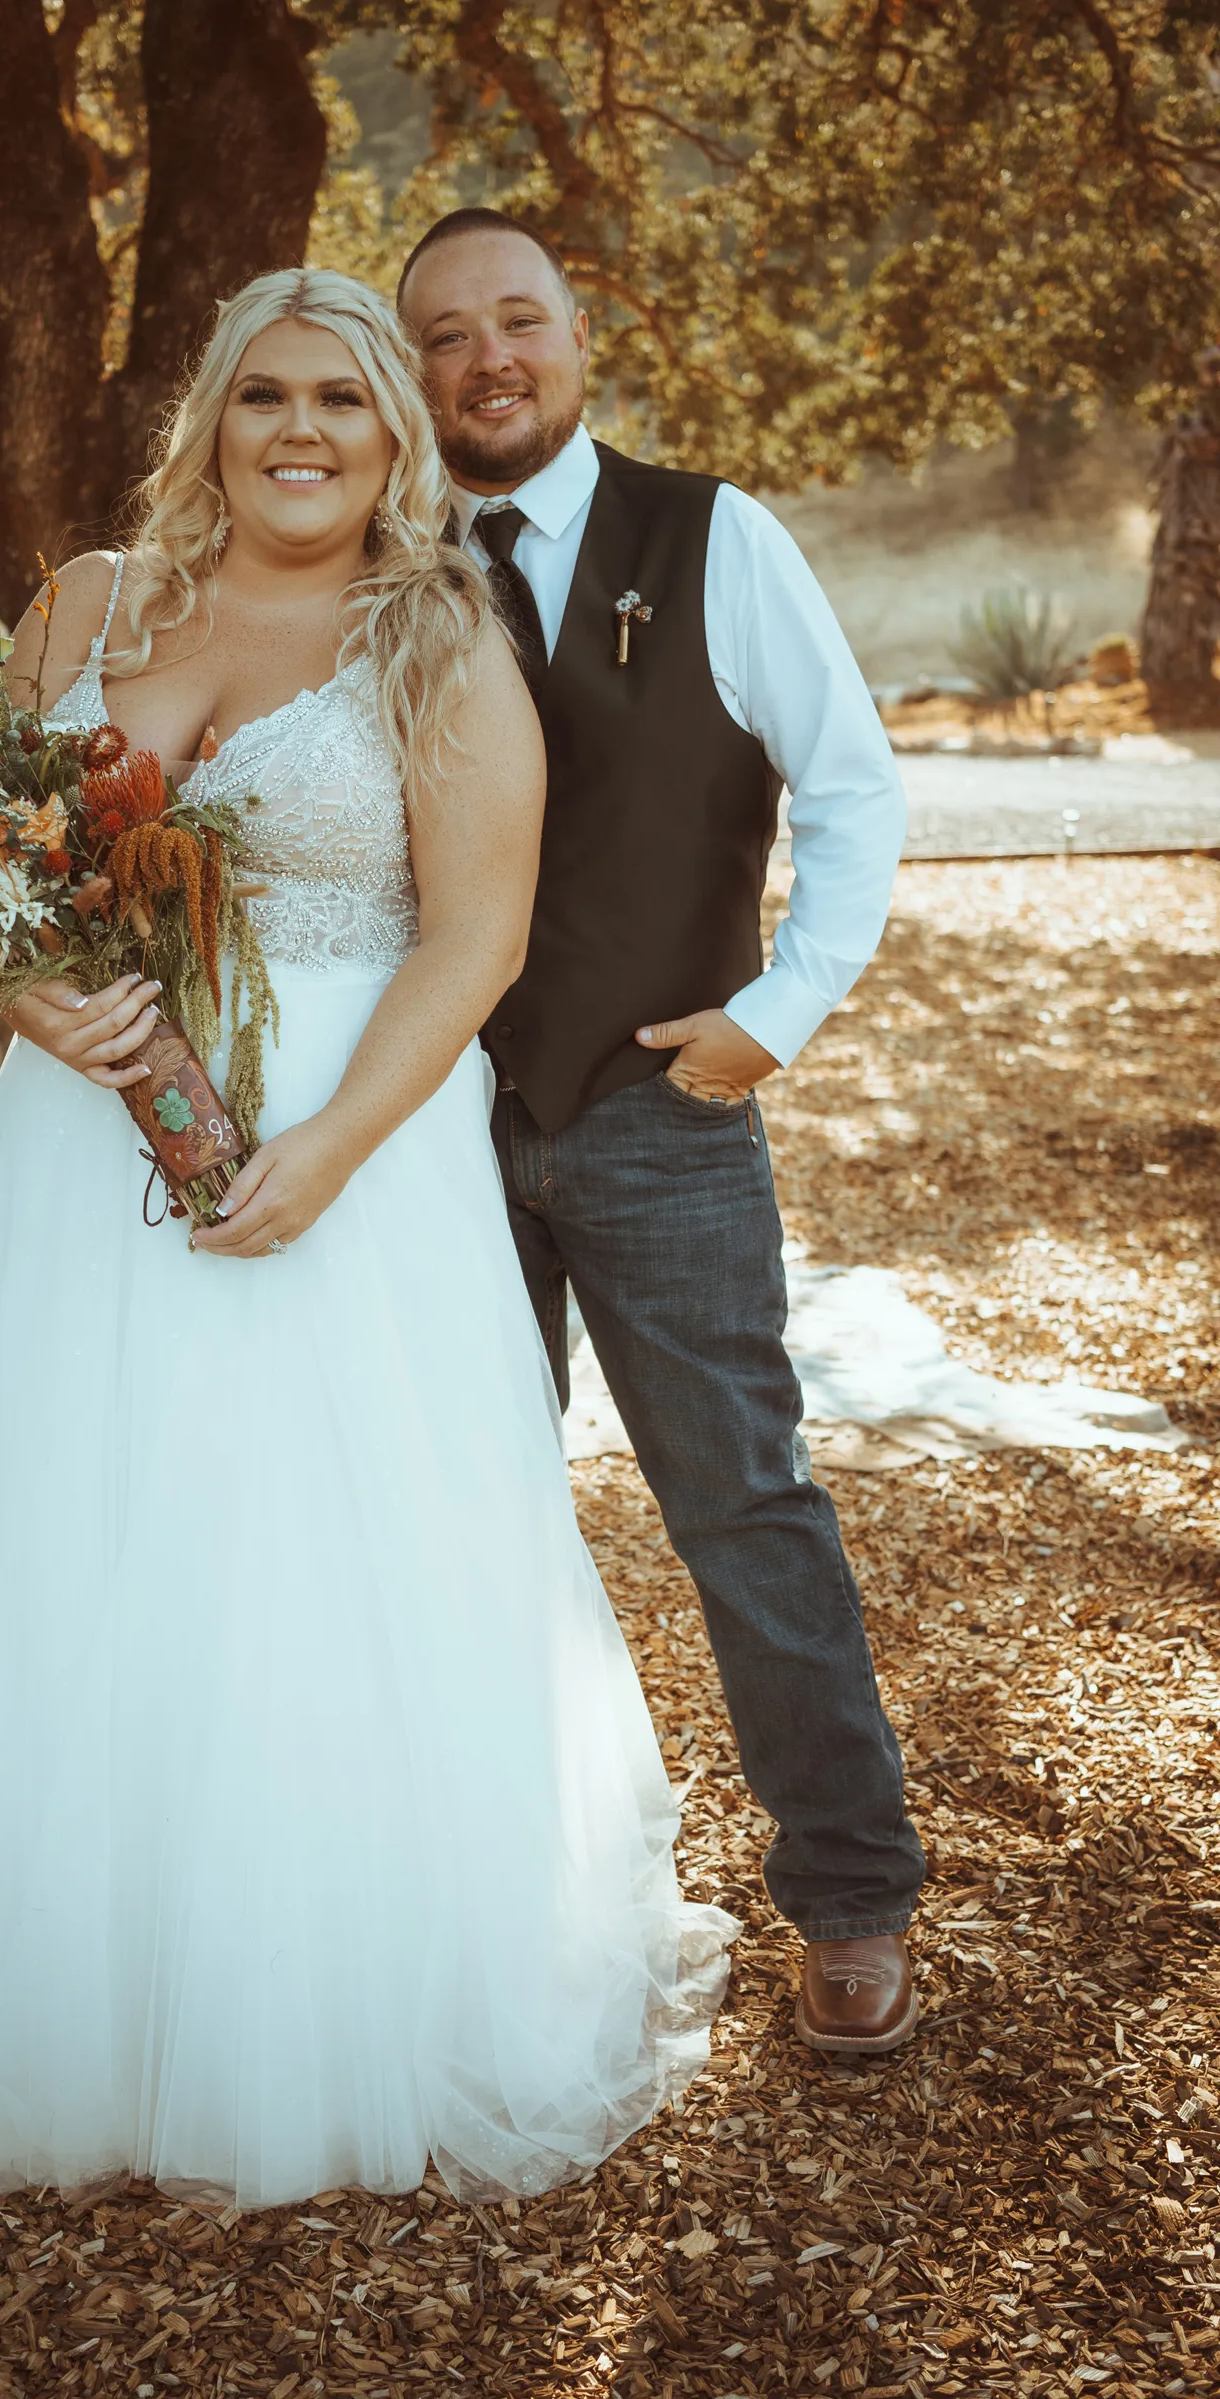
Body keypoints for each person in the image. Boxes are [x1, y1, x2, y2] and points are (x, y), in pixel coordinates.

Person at [0, 269, 735, 2206]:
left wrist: (321, 1154)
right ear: (209, 417)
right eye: (262, 398)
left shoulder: (435, 638)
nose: (299, 433)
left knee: (302, 1556)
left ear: (394, 438)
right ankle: (33, 1961)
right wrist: (27, 993)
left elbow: (469, 942)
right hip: (70, 1153)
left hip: (338, 1151)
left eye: (340, 403)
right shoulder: (89, 606)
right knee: (45, 1524)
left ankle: (280, 1988)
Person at [398, 210, 925, 2054]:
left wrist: (772, 1022)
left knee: (743, 1509)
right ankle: (463, 1901)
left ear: (579, 335)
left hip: (660, 1117)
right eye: (447, 334)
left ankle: (852, 1896)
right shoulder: (384, 570)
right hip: (424, 1134)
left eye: (518, 321)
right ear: (415, 368)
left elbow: (854, 793)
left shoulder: (718, 536)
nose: (489, 361)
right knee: (443, 1512)